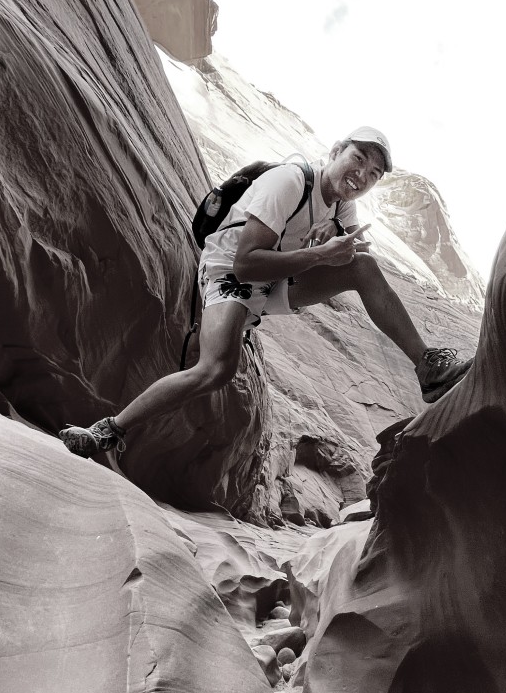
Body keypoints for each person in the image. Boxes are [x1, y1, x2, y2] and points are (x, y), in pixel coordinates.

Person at [59, 127, 473, 458]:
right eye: (358, 159)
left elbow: (342, 254)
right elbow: (246, 262)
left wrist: (333, 246)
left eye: (372, 174)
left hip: (276, 278)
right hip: (231, 271)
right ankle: (108, 431)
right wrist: (319, 256)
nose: (361, 175)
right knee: (215, 369)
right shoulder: (288, 181)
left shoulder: (342, 206)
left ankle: (427, 367)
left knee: (362, 267)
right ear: (335, 151)